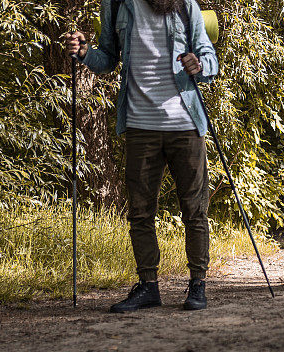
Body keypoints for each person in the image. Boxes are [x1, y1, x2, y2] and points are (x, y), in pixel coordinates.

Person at [64, 0, 218, 312]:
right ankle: (148, 287)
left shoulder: (185, 5)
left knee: (194, 210)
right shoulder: (117, 4)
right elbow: (106, 58)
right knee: (140, 212)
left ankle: (197, 285)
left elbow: (209, 57)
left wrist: (199, 65)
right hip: (139, 124)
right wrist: (83, 53)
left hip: (185, 124)